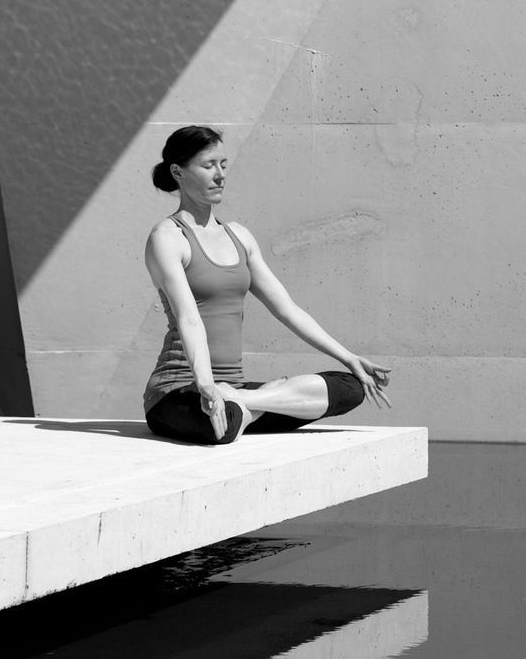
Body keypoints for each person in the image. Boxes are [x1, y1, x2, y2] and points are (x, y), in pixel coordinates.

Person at [142, 125, 391, 444]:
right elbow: (188, 317)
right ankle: (246, 405)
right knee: (221, 427)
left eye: (223, 164)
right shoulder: (168, 238)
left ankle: (246, 404)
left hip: (235, 391)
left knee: (350, 388)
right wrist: (206, 385)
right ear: (178, 172)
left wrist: (348, 357)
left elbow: (287, 310)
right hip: (178, 393)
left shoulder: (239, 237)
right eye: (208, 166)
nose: (220, 175)